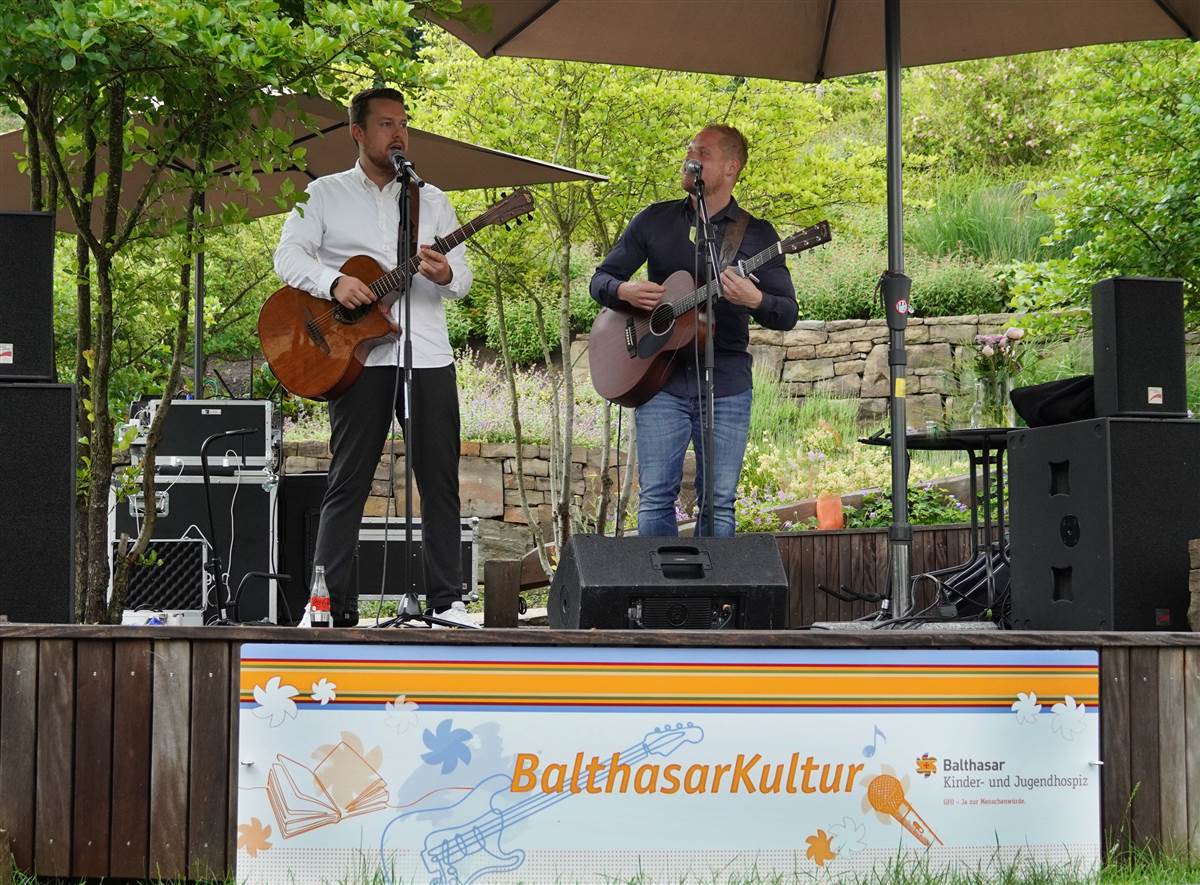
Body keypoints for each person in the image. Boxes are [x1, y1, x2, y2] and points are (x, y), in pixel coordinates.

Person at [274, 86, 476, 627]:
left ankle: (446, 601)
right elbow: (287, 254)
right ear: (358, 133)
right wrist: (334, 280)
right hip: (355, 360)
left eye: (404, 123)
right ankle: (329, 607)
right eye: (386, 124)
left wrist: (447, 273)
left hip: (427, 355)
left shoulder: (430, 199)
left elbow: (465, 280)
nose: (399, 133)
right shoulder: (324, 194)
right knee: (349, 479)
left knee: (439, 480)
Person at [589, 124, 798, 537]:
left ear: (731, 168)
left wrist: (754, 301)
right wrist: (625, 289)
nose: (690, 158)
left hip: (726, 384)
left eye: (702, 152)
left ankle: (713, 600)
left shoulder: (757, 235)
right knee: (654, 499)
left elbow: (786, 313)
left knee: (719, 504)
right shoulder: (655, 220)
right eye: (689, 149)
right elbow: (601, 280)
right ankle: (658, 597)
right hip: (658, 381)